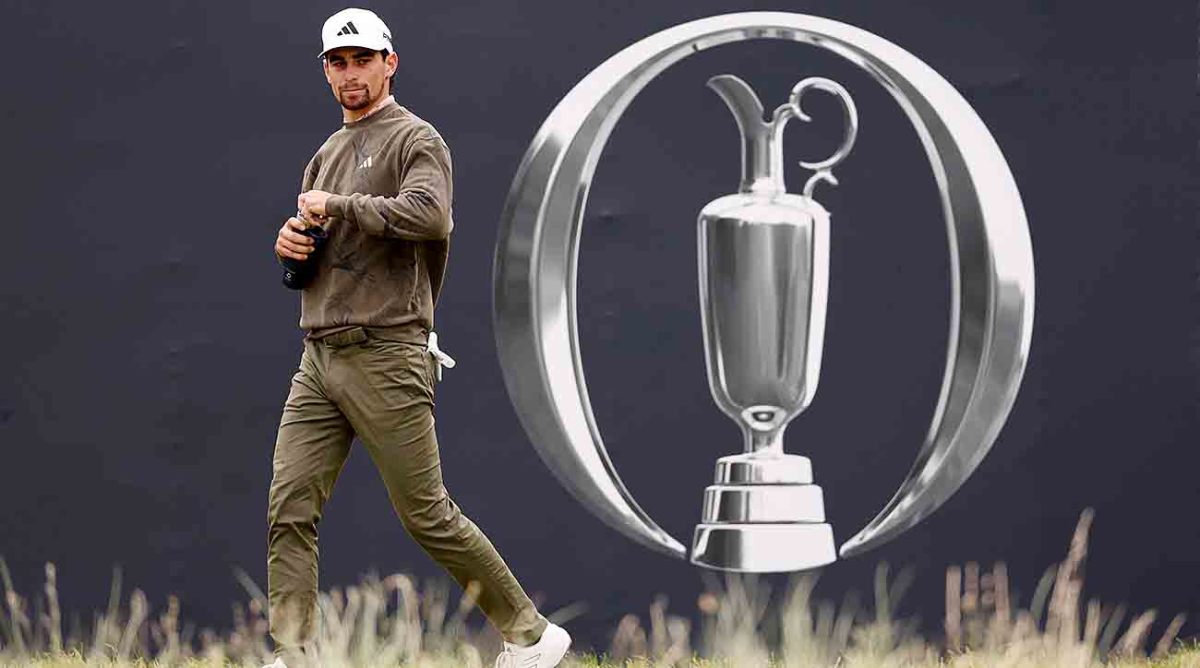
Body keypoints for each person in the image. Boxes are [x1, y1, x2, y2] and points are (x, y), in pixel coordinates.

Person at [264, 8, 571, 668]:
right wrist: (293, 251)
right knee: (289, 507)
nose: (351, 72)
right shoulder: (326, 153)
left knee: (426, 514)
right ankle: (292, 656)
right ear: (325, 70)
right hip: (319, 355)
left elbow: (430, 217)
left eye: (363, 59)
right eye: (338, 62)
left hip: (387, 351)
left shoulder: (416, 139)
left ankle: (534, 637)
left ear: (389, 62)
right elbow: (322, 256)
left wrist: (337, 208)